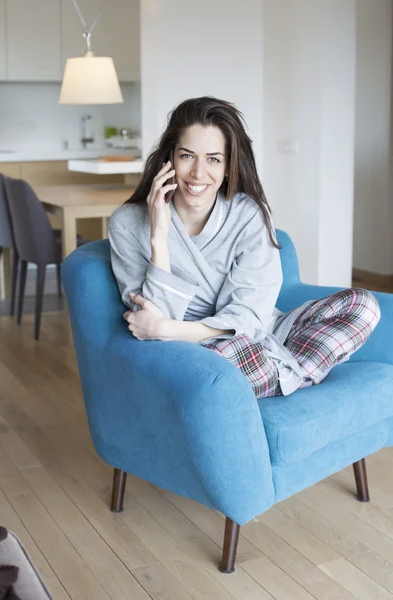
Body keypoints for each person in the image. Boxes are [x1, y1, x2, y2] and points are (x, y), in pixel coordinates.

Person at [109, 96, 381, 398]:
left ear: (228, 167)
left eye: (213, 159)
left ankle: (273, 376)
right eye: (187, 156)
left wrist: (168, 328)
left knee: (363, 305)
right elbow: (148, 319)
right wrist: (159, 238)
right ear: (169, 158)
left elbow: (249, 317)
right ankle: (285, 375)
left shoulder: (248, 214)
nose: (199, 173)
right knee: (223, 360)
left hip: (254, 332)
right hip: (199, 351)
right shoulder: (128, 223)